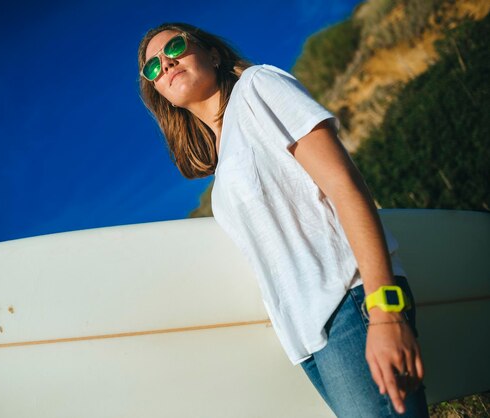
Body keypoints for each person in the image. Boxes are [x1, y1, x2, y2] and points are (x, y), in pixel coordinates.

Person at [137, 22, 430, 417]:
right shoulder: (223, 168)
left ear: (214, 54)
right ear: (159, 93)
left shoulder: (257, 87)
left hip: (352, 304)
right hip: (309, 340)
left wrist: (384, 308)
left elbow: (345, 185)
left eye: (174, 47)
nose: (166, 63)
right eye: (152, 68)